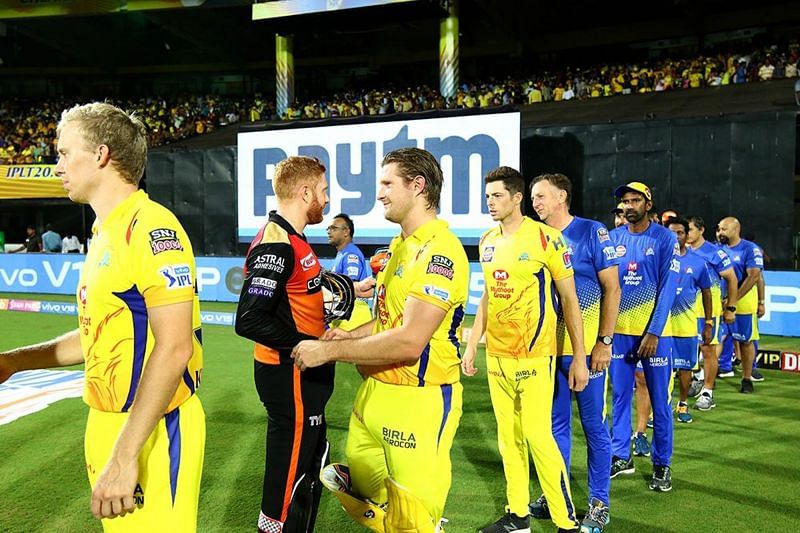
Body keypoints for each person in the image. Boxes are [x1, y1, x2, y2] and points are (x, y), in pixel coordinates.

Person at [0, 102, 205, 531]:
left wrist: (126, 454)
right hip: (107, 420)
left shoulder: (150, 227)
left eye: (63, 152)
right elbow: (98, 336)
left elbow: (175, 347)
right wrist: (13, 362)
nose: (57, 165)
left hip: (152, 429)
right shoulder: (102, 232)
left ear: (101, 155)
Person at [292, 147, 469, 533]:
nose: (380, 193)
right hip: (373, 395)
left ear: (418, 186)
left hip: (419, 401)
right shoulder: (398, 248)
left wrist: (330, 351)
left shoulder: (440, 250)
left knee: (413, 521)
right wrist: (348, 335)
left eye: (388, 183)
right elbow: (386, 320)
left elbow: (409, 341)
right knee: (362, 489)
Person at [462, 167, 585, 533]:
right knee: (508, 440)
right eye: (487, 197)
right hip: (497, 356)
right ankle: (518, 516)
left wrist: (578, 356)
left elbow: (570, 300)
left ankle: (566, 522)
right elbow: (486, 296)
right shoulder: (486, 240)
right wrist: (472, 345)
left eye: (497, 196)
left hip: (536, 355)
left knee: (538, 437)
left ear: (517, 198)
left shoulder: (547, 239)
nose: (490, 203)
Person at [234, 155, 335, 533]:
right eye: (323, 191)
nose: (326, 200)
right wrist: (308, 345)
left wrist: (339, 289)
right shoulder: (276, 244)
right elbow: (249, 318)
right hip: (289, 374)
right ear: (305, 191)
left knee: (310, 466)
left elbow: (295, 294)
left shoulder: (295, 238)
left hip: (307, 374)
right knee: (287, 476)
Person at [528, 173, 620, 532]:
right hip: (548, 352)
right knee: (555, 426)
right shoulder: (535, 237)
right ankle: (558, 493)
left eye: (541, 196)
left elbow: (612, 289)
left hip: (586, 352)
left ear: (562, 196)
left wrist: (604, 342)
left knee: (594, 425)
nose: (535, 203)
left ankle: (599, 501)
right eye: (533, 198)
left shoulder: (591, 232)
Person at [609, 181, 678, 492]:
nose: (629, 205)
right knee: (620, 397)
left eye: (635, 200)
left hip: (654, 336)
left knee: (660, 403)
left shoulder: (665, 239)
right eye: (625, 200)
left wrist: (653, 331)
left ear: (648, 205)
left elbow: (667, 290)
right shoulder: (613, 238)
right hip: (619, 333)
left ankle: (662, 463)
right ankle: (621, 456)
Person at [685, 216, 738, 410]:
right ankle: (697, 378)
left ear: (701, 230)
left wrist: (731, 308)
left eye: (690, 229)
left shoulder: (714, 252)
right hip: (685, 311)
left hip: (708, 311)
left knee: (708, 350)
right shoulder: (680, 252)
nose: (687, 234)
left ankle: (707, 392)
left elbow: (732, 279)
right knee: (688, 350)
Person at [666, 217, 712, 423]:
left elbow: (707, 292)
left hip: (685, 326)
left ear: (687, 236)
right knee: (661, 371)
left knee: (685, 370)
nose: (675, 237)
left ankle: (682, 405)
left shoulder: (698, 262)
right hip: (662, 327)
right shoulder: (659, 259)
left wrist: (709, 323)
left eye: (680, 233)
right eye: (671, 233)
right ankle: (658, 410)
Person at [717, 217, 764, 393]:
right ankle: (707, 377)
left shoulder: (750, 249)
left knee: (745, 341)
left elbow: (754, 276)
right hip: (720, 302)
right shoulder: (718, 248)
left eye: (724, 229)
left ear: (735, 230)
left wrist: (733, 299)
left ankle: (746, 377)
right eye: (719, 229)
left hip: (743, 304)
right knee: (716, 339)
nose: (720, 232)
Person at [327, 212, 373, 330]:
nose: (329, 231)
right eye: (328, 228)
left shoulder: (351, 254)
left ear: (346, 232)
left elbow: (349, 286)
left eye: (333, 228)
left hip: (354, 317)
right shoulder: (342, 253)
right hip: (344, 315)